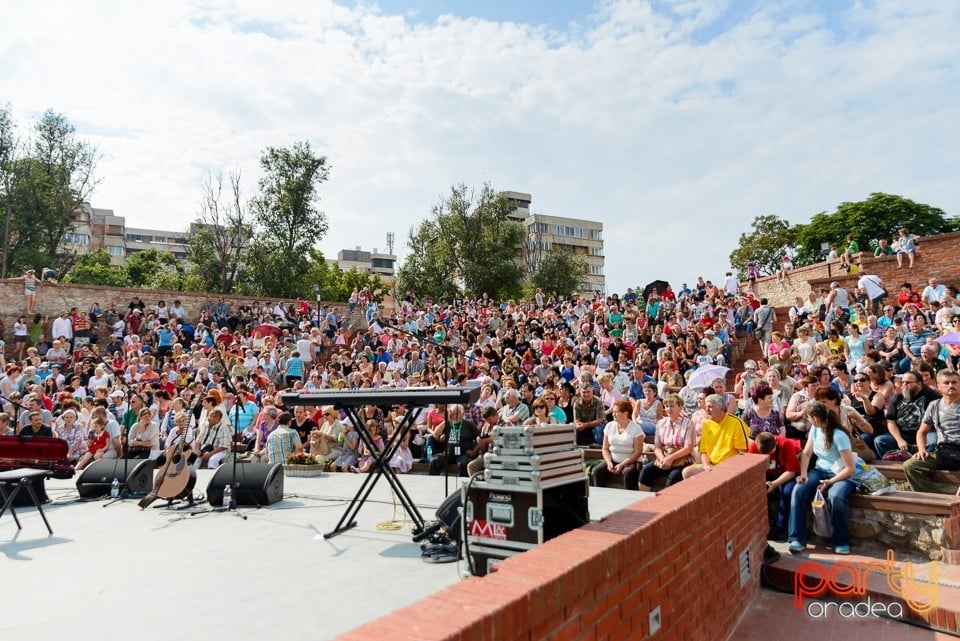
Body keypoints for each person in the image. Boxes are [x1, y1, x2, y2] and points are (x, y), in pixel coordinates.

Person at [788, 402, 858, 555]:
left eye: (808, 418)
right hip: (820, 470)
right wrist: (804, 474)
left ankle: (841, 541)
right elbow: (806, 454)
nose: (808, 421)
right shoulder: (815, 429)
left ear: (815, 418)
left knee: (836, 496)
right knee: (798, 490)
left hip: (841, 474)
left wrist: (831, 482)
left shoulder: (839, 435)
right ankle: (796, 539)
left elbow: (850, 468)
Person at [904, 370, 960, 493]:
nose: (951, 385)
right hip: (943, 452)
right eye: (946, 382)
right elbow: (922, 432)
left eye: (954, 382)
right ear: (939, 386)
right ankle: (940, 500)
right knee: (911, 466)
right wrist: (922, 450)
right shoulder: (934, 405)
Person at [750, 432, 801, 542]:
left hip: (784, 475)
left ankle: (781, 528)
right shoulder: (754, 446)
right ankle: (764, 527)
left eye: (770, 453)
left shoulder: (786, 444)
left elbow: (791, 471)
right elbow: (752, 470)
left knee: (787, 492)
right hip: (765, 475)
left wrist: (774, 484)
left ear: (775, 445)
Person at [875, 372, 940, 458]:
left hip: (927, 432)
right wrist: (899, 440)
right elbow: (891, 421)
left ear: (919, 383)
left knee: (933, 442)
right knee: (880, 441)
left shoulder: (931, 397)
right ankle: (893, 465)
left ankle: (919, 465)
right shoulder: (896, 398)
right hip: (904, 433)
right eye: (903, 382)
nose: (904, 385)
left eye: (908, 382)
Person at [682, 394, 749, 479]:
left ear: (720, 408)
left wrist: (727, 468)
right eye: (706, 407)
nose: (706, 410)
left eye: (710, 407)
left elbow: (743, 453)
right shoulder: (707, 424)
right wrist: (706, 465)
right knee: (687, 472)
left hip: (730, 467)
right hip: (712, 465)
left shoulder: (736, 423)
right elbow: (703, 451)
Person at [638, 394, 694, 491]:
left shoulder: (688, 423)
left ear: (680, 407)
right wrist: (662, 458)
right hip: (664, 459)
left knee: (674, 477)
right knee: (646, 471)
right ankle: (644, 501)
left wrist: (670, 459)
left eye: (672, 406)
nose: (668, 409)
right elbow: (657, 446)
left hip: (681, 461)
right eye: (667, 406)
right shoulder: (661, 423)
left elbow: (688, 448)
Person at [591, 399, 643, 490]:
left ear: (625, 413)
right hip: (613, 460)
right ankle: (601, 498)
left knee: (628, 473)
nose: (613, 414)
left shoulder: (636, 428)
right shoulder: (609, 426)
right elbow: (605, 449)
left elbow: (638, 452)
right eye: (613, 412)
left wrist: (622, 464)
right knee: (597, 471)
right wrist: (609, 463)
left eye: (616, 412)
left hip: (629, 462)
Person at [429, 404, 480, 477]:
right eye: (453, 414)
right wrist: (445, 421)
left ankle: (462, 484)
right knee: (434, 461)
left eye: (457, 414)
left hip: (463, 454)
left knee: (464, 463)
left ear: (462, 414)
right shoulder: (448, 424)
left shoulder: (469, 425)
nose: (455, 416)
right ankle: (433, 482)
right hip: (450, 453)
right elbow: (435, 434)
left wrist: (474, 451)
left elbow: (480, 438)